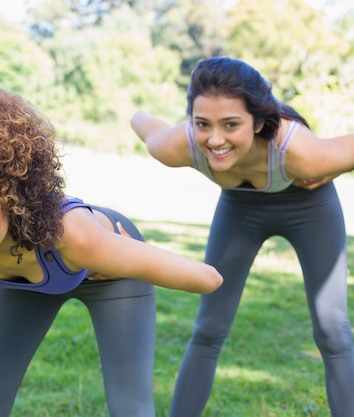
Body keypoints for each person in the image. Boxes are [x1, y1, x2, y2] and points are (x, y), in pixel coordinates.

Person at [0, 81, 223, 417]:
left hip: (108, 272)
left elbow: (207, 279)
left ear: (11, 194)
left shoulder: (78, 237)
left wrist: (130, 257)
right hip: (22, 278)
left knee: (131, 408)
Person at [130, 56, 354, 417]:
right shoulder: (179, 146)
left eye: (231, 124)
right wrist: (136, 112)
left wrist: (334, 165)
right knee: (208, 328)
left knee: (333, 331)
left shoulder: (302, 153)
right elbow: (145, 125)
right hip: (240, 210)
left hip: (308, 206)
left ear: (259, 121)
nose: (215, 139)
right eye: (202, 123)